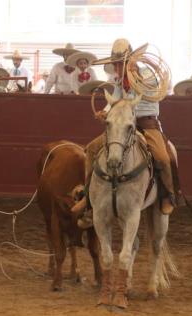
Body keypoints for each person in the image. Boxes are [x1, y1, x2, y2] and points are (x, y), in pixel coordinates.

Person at [71, 38, 177, 225]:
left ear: (129, 60)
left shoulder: (147, 73)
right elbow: (116, 98)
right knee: (92, 149)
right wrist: (104, 112)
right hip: (123, 124)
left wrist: (136, 75)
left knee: (163, 157)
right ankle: (88, 196)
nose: (117, 68)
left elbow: (150, 91)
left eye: (119, 64)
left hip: (147, 124)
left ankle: (168, 195)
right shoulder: (120, 80)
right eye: (115, 64)